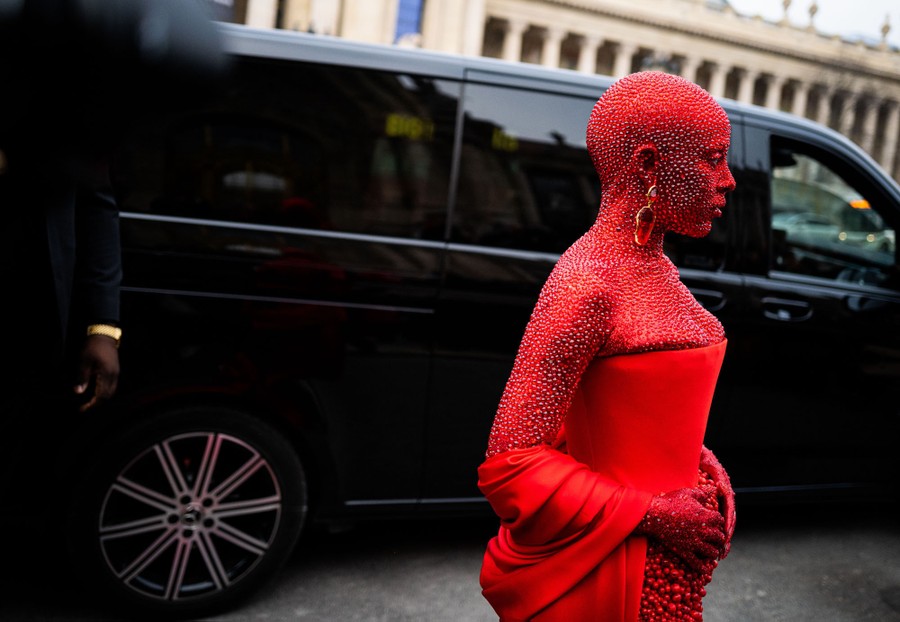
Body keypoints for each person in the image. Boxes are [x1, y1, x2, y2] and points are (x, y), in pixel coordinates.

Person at [477, 71, 738, 621]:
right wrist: (652, 511)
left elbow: (628, 414)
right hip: (611, 577)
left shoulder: (654, 263)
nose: (729, 180)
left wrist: (701, 468)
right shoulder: (589, 283)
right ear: (646, 164)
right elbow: (510, 460)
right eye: (711, 159)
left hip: (661, 574)